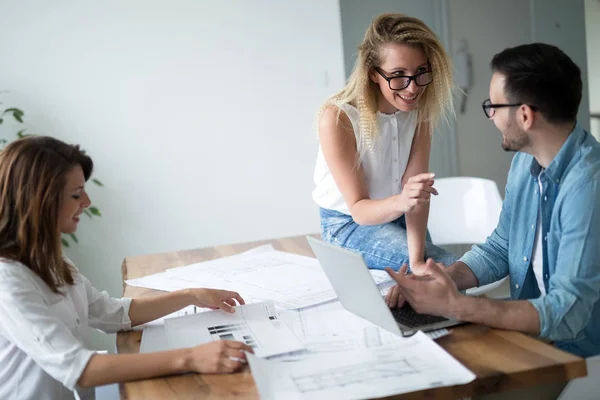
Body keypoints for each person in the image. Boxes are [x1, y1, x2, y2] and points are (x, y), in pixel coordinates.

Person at [385, 43, 600, 358]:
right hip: (535, 338)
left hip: (579, 356)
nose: (490, 117)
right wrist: (446, 278)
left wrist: (460, 306)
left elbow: (566, 315)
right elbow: (502, 247)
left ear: (525, 115)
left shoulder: (588, 187)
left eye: (493, 107)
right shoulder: (526, 163)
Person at [0, 136, 253, 400]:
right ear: (40, 202)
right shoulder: (8, 281)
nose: (86, 202)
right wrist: (191, 358)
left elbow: (110, 314)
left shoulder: (53, 261)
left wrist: (192, 295)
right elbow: (80, 369)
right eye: (76, 194)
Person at [312, 13, 457, 271]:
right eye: (398, 74)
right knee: (447, 267)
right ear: (373, 73)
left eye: (420, 72)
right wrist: (404, 202)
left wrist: (415, 261)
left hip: (399, 216)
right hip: (348, 224)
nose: (412, 88)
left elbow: (415, 194)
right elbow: (359, 210)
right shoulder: (338, 118)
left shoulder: (420, 112)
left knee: (443, 270)